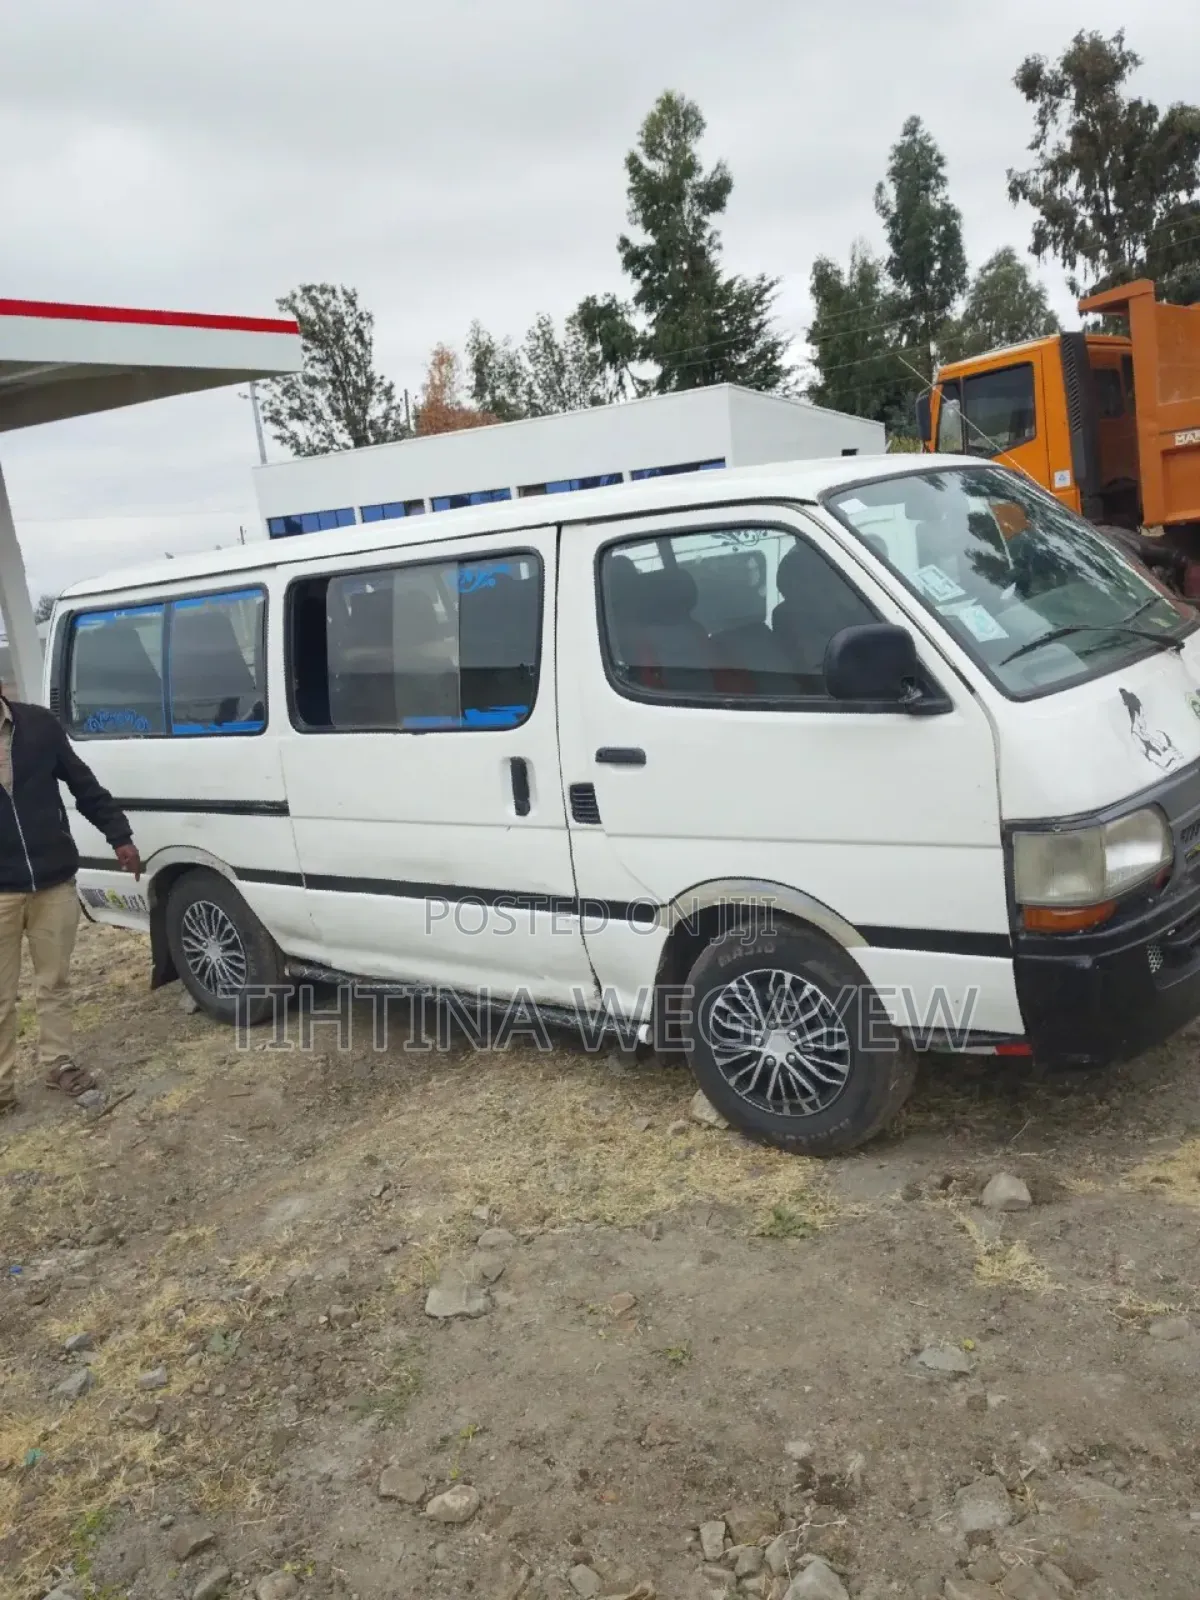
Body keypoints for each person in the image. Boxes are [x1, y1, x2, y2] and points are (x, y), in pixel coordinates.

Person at [0, 695, 141, 1115]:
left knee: (54, 981)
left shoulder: (38, 725)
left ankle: (57, 1062)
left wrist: (120, 836)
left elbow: (83, 784)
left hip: (53, 882)